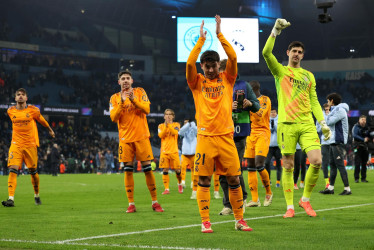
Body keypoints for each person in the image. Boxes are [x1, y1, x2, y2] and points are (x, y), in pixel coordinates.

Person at [186, 15, 252, 232]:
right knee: (204, 181)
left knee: (234, 179)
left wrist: (219, 34)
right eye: (206, 66)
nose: (210, 70)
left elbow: (232, 56)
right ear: (202, 66)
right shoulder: (196, 82)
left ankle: (239, 220)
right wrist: (200, 41)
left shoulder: (228, 78)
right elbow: (189, 63)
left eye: (213, 66)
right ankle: (206, 222)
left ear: (218, 66)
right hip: (205, 138)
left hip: (226, 137)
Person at [262, 19, 331, 218]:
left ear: (303, 55)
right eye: (294, 51)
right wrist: (275, 31)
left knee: (316, 161)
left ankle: (305, 200)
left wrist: (323, 123)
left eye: (300, 52)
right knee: (288, 165)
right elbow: (266, 53)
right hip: (286, 125)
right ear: (288, 53)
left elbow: (315, 101)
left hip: (307, 124)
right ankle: (290, 207)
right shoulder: (280, 71)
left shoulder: (309, 76)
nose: (297, 54)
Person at [109, 70, 163, 213]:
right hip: (125, 139)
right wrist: (121, 103)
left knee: (147, 170)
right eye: (123, 79)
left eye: (128, 78)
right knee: (128, 171)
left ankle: (155, 202)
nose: (125, 80)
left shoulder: (140, 92)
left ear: (132, 81)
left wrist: (134, 100)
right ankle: (131, 203)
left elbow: (147, 109)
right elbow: (113, 118)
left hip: (141, 137)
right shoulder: (114, 98)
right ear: (119, 82)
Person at [218, 59, 260, 215]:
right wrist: (228, 107)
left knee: (233, 168)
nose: (224, 73)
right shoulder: (217, 86)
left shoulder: (244, 85)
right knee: (221, 170)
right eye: (222, 70)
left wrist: (250, 104)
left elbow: (257, 106)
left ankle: (238, 200)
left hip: (238, 133)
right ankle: (229, 203)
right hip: (221, 133)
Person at [2, 88, 55, 207]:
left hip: (30, 145)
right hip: (16, 145)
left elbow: (42, 120)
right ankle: (11, 198)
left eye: (23, 95)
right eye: (18, 95)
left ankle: (36, 194)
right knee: (12, 169)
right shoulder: (10, 111)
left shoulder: (33, 110)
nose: (20, 96)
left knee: (33, 173)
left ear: (26, 98)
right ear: (15, 98)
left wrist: (50, 130)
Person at [243, 80, 273, 207]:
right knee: (250, 166)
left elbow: (260, 113)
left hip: (262, 133)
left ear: (254, 90)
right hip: (250, 134)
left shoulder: (265, 99)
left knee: (259, 164)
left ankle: (268, 193)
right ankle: (255, 199)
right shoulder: (246, 101)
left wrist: (250, 104)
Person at [319, 93, 351, 195]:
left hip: (338, 140)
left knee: (340, 165)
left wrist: (327, 116)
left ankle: (347, 189)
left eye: (328, 101)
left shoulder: (340, 110)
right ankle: (330, 188)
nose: (328, 103)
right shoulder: (336, 110)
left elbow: (329, 122)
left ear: (332, 100)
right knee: (332, 165)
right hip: (333, 140)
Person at [158, 109, 183, 194]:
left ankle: (180, 184)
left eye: (170, 114)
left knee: (177, 170)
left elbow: (175, 133)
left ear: (173, 116)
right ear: (164, 116)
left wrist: (168, 125)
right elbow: (161, 135)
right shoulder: (160, 126)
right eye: (166, 114)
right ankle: (166, 189)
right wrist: (166, 126)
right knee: (165, 170)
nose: (168, 116)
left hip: (174, 151)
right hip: (164, 151)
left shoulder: (177, 125)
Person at [178, 118, 198, 199]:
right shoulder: (183, 130)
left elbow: (197, 131)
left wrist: (192, 124)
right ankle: (182, 181)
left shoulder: (194, 129)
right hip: (185, 153)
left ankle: (193, 182)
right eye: (185, 122)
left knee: (194, 169)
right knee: (183, 168)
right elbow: (180, 132)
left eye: (187, 122)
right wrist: (187, 125)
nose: (187, 124)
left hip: (193, 153)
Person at [265, 108, 282, 188]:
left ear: (276, 112)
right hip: (269, 146)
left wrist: (273, 124)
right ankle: (268, 180)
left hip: (278, 146)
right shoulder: (266, 120)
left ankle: (278, 182)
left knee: (278, 164)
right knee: (266, 163)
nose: (273, 113)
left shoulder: (279, 120)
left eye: (274, 112)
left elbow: (279, 130)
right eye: (271, 112)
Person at [316, 103, 332, 189]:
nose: (327, 110)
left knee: (333, 162)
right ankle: (327, 182)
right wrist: (322, 126)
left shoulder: (334, 114)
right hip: (325, 142)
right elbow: (317, 129)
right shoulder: (320, 116)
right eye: (326, 109)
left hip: (333, 141)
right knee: (325, 162)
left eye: (328, 109)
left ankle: (332, 182)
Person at [352, 115, 370, 183]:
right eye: (362, 119)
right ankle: (356, 178)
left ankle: (363, 178)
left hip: (365, 146)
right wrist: (363, 139)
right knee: (357, 163)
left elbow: (368, 135)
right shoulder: (356, 127)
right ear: (359, 120)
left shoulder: (367, 127)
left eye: (364, 120)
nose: (363, 121)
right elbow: (354, 135)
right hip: (357, 146)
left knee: (364, 163)